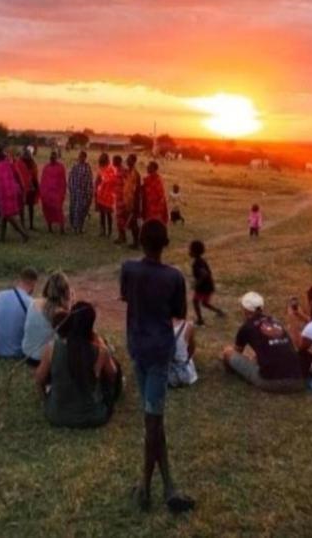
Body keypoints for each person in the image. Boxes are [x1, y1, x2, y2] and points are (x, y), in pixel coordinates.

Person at [120, 220, 195, 514]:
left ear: (140, 241)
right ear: (165, 244)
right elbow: (179, 313)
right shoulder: (174, 277)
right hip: (159, 352)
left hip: (137, 349)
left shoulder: (129, 269)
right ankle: (154, 488)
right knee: (154, 420)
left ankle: (160, 487)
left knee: (153, 420)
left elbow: (126, 297)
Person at [36, 301, 122, 428]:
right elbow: (113, 375)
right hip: (94, 416)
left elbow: (39, 379)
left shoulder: (53, 347)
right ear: (91, 324)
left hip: (57, 416)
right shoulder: (100, 350)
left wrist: (45, 400)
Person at [222, 292, 303, 393]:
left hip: (270, 382)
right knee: (255, 357)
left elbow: (238, 351)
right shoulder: (276, 321)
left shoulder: (247, 327)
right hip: (298, 381)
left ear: (245, 310)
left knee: (228, 352)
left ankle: (231, 374)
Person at [22, 271, 71, 366]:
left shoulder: (34, 302)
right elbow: (71, 334)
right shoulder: (59, 313)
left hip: (27, 354)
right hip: (44, 360)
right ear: (65, 291)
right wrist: (69, 305)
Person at [0, 267, 39, 357]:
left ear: (20, 280)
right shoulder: (30, 302)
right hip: (17, 352)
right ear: (34, 283)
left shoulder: (0, 295)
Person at [0, 147, 28, 243]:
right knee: (4, 216)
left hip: (4, 194)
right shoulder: (10, 164)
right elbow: (18, 175)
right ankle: (2, 237)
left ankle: (23, 234)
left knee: (8, 216)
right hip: (13, 191)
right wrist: (22, 188)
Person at [189, 241, 225, 324]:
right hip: (208, 286)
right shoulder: (201, 261)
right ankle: (219, 312)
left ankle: (200, 320)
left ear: (194, 252)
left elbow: (204, 274)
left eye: (190, 250)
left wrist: (197, 283)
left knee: (195, 301)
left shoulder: (197, 263)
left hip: (204, 287)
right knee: (204, 303)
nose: (189, 252)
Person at [40, 151, 67, 233]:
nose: (52, 159)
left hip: (57, 193)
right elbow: (43, 180)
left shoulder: (60, 167)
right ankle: (49, 228)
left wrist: (62, 192)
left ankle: (62, 229)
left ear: (56, 158)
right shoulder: (46, 167)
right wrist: (43, 193)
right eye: (51, 157)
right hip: (47, 193)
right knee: (48, 210)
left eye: (54, 157)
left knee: (58, 210)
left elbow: (63, 181)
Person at [68, 151, 94, 234]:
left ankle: (80, 227)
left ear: (85, 158)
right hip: (75, 192)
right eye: (80, 157)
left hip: (83, 193)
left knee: (82, 210)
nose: (81, 158)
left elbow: (89, 181)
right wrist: (71, 189)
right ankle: (75, 228)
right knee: (74, 210)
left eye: (82, 157)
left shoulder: (87, 167)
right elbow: (70, 178)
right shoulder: (75, 166)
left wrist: (89, 193)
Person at [168, 318, 198, 388]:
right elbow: (191, 350)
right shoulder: (188, 325)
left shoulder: (156, 323)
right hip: (185, 374)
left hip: (163, 372)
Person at [15, 148, 40, 230]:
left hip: (28, 188)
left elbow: (35, 177)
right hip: (25, 188)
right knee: (28, 207)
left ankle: (26, 224)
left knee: (27, 207)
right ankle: (28, 224)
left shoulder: (28, 163)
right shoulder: (21, 163)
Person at [141, 162, 169, 227]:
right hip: (147, 207)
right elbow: (142, 190)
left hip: (156, 209)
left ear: (153, 169)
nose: (147, 168)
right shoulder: (147, 179)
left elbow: (161, 196)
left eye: (149, 166)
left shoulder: (158, 180)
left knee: (154, 226)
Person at [124, 154, 142, 248]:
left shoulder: (135, 174)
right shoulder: (129, 172)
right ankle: (135, 242)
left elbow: (137, 190)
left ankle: (136, 243)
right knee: (131, 223)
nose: (127, 161)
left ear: (133, 161)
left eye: (129, 160)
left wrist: (135, 204)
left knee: (134, 223)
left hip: (134, 202)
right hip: (128, 201)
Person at [95, 153, 115, 238]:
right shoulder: (101, 169)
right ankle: (103, 231)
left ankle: (109, 232)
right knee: (103, 214)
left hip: (108, 195)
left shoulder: (111, 169)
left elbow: (112, 181)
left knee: (108, 214)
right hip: (101, 195)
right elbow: (97, 181)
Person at [112, 154, 129, 244]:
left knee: (121, 218)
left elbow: (128, 183)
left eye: (114, 160)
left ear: (118, 161)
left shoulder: (123, 171)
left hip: (122, 198)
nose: (112, 162)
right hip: (117, 197)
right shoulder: (117, 170)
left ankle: (122, 237)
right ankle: (122, 236)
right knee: (119, 218)